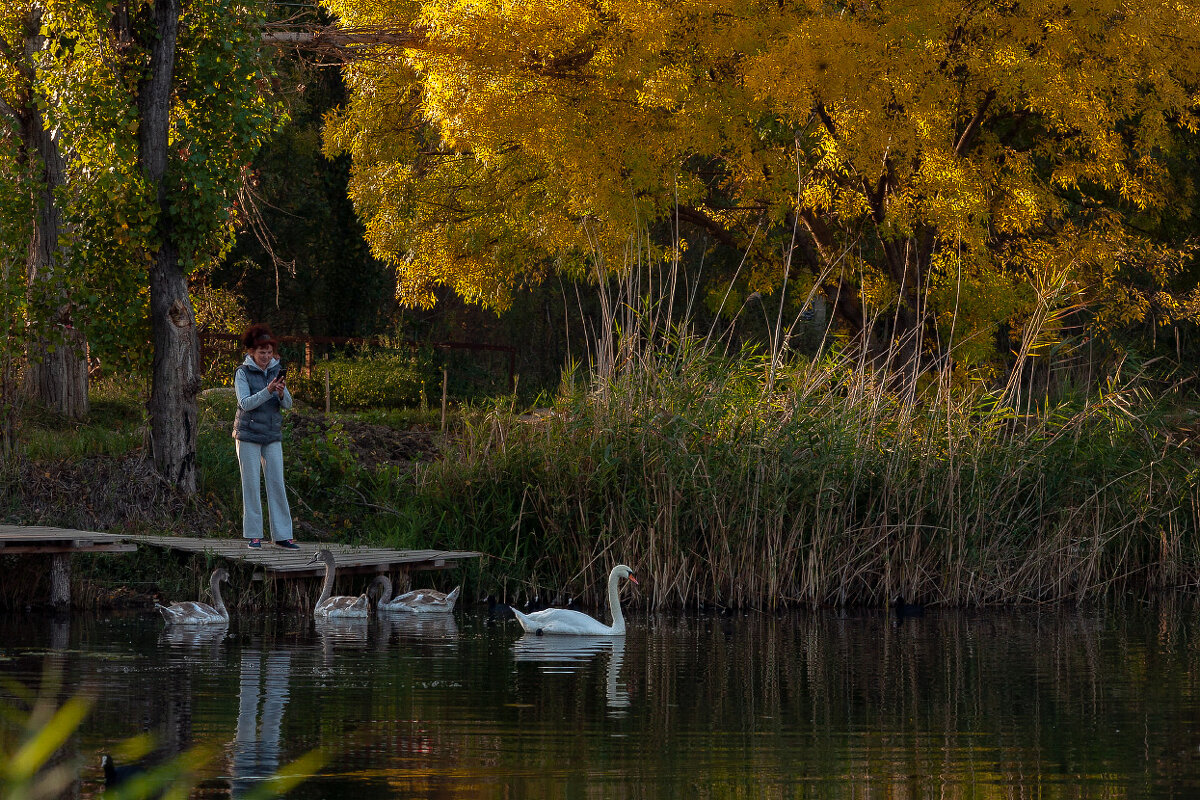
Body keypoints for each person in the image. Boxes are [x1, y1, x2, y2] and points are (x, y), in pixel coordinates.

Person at [233, 324, 299, 549]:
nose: (266, 357)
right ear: (252, 352)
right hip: (248, 434)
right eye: (262, 353)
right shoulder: (242, 372)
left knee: (277, 483)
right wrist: (268, 391)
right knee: (251, 484)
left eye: (269, 352)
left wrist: (280, 393)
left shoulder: (275, 370)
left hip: (271, 434)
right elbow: (245, 403)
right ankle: (254, 535)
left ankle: (282, 536)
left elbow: (289, 404)